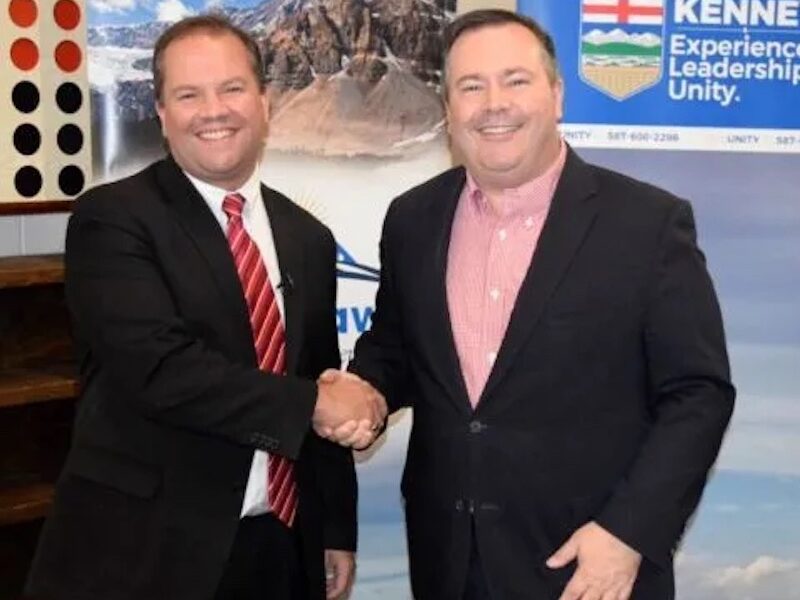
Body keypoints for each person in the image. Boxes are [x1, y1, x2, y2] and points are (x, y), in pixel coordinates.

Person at [332, 9, 735, 600]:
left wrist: (628, 533)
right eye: (471, 86)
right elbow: (397, 349)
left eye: (515, 80)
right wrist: (364, 393)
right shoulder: (413, 219)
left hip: (591, 567)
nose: (494, 103)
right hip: (449, 562)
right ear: (449, 109)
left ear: (556, 94)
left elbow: (699, 393)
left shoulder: (647, 224)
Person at [26, 15, 385, 600]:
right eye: (188, 95)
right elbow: (161, 372)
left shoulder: (308, 238)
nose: (213, 111)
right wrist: (317, 403)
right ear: (162, 114)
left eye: (232, 89)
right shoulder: (113, 219)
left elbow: (314, 373)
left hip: (280, 546)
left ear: (265, 103)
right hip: (146, 554)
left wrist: (335, 528)